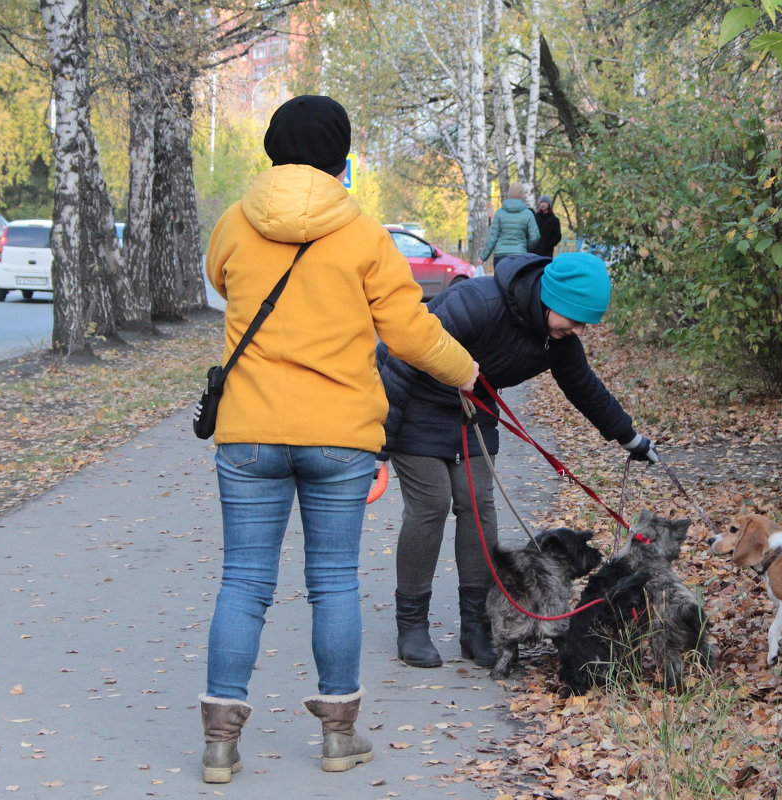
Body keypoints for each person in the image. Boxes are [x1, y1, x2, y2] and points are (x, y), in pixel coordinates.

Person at [198, 95, 477, 784]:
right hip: (340, 437)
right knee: (332, 583)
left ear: (270, 149)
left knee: (242, 583)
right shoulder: (363, 235)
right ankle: (338, 739)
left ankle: (219, 747)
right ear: (340, 157)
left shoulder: (236, 223)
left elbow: (216, 281)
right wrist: (467, 372)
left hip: (249, 432)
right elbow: (411, 334)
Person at [377, 251, 658, 670]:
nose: (577, 330)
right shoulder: (476, 303)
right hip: (417, 409)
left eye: (584, 324)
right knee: (431, 507)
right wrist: (378, 446)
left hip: (474, 417)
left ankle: (476, 626)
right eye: (574, 319)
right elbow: (395, 358)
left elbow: (585, 389)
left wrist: (629, 437)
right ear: (551, 298)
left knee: (479, 511)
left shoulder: (556, 339)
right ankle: (412, 626)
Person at [479, 182, 539, 271]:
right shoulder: (528, 214)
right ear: (522, 196)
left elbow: (492, 237)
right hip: (520, 256)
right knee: (518, 284)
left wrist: (483, 257)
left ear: (509, 194)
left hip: (500, 257)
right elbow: (535, 237)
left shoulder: (499, 213)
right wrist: (526, 246)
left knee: (500, 283)